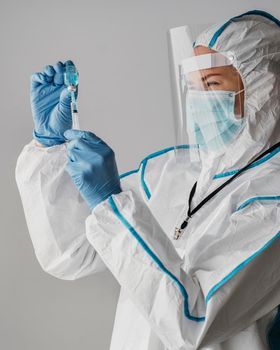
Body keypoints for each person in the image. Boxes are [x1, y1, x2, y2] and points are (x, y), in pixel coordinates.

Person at [16, 9, 280, 350]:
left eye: (212, 84)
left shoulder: (270, 201)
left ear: (266, 88)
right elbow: (70, 253)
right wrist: (49, 149)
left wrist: (112, 203)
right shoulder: (174, 173)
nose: (199, 100)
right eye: (193, 86)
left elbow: (192, 323)